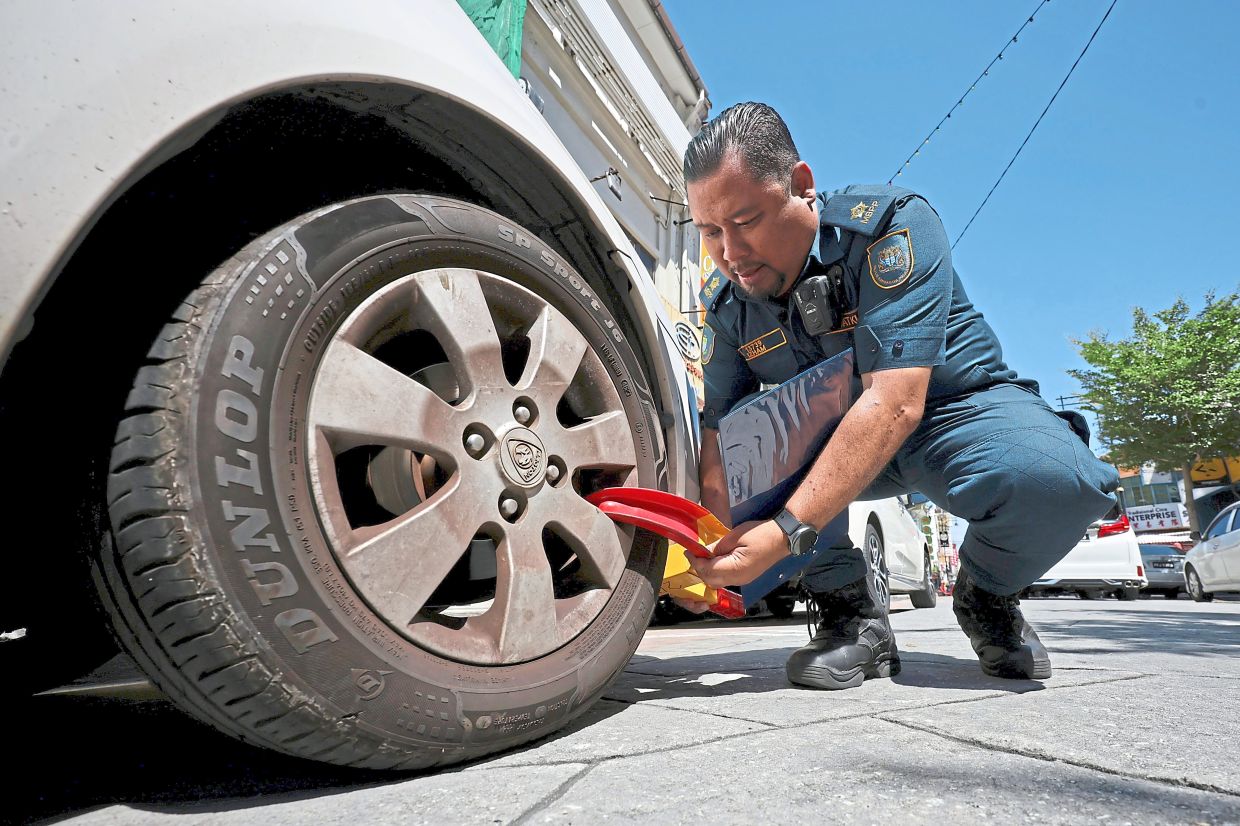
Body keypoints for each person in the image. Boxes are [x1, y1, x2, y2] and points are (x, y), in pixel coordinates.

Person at [681, 102, 1119, 690]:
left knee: (1062, 483)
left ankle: (987, 597)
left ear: (802, 188)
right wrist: (712, 547)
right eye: (710, 232)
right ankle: (851, 619)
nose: (730, 253)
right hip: (836, 438)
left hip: (954, 416)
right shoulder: (731, 306)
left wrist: (783, 533)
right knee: (744, 453)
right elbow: (719, 430)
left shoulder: (890, 227)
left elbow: (896, 403)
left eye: (746, 220)